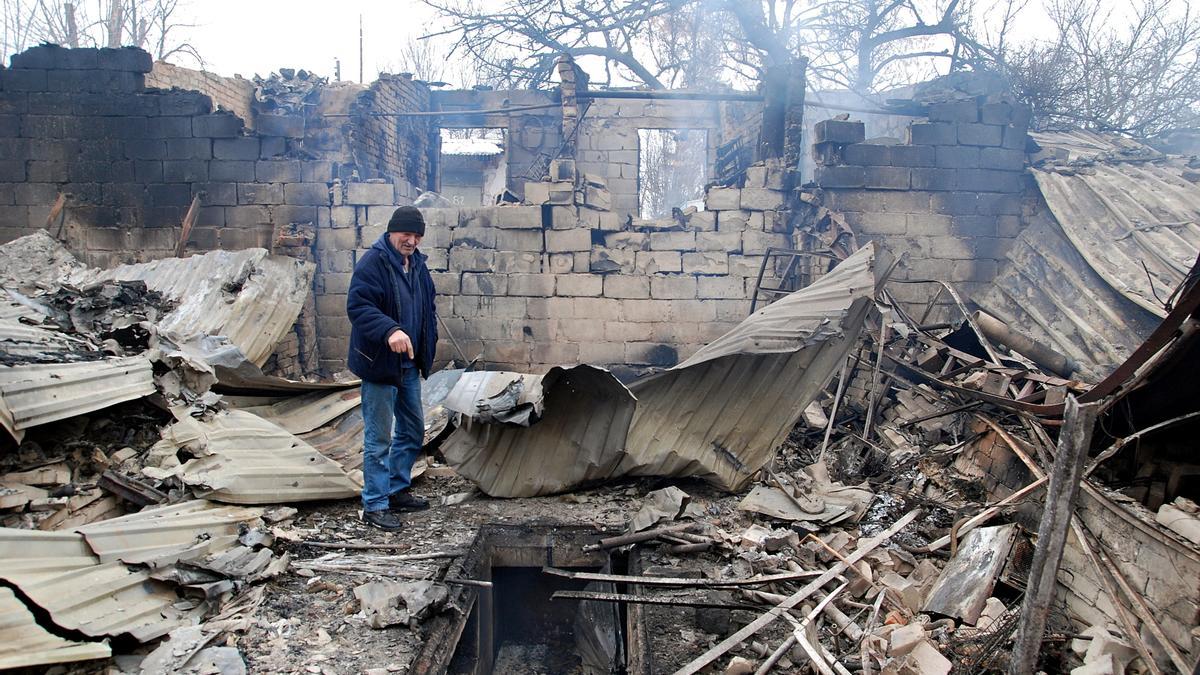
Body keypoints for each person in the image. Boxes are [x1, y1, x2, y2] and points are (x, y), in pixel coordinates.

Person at [346, 206, 438, 531]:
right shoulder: (374, 262)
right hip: (380, 365)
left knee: (412, 430)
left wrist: (426, 346)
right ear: (391, 232)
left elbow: (428, 307)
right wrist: (390, 330)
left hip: (408, 365)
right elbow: (358, 306)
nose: (411, 240)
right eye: (406, 234)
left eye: (416, 236)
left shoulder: (417, 266)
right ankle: (374, 504)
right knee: (378, 438)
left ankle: (396, 489)